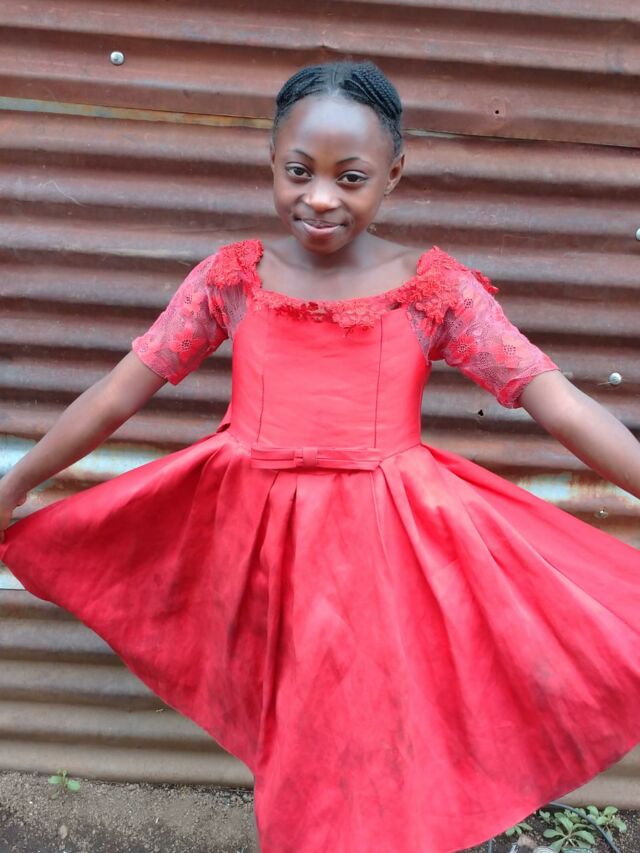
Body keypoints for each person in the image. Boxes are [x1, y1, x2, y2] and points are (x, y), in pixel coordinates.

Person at [0, 58, 639, 853]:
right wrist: (17, 481)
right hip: (256, 546)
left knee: (352, 741)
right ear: (271, 160)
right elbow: (116, 395)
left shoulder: (433, 291)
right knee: (301, 745)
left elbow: (560, 404)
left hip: (382, 556)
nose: (322, 197)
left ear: (393, 174)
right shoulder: (234, 278)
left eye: (351, 177)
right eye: (299, 171)